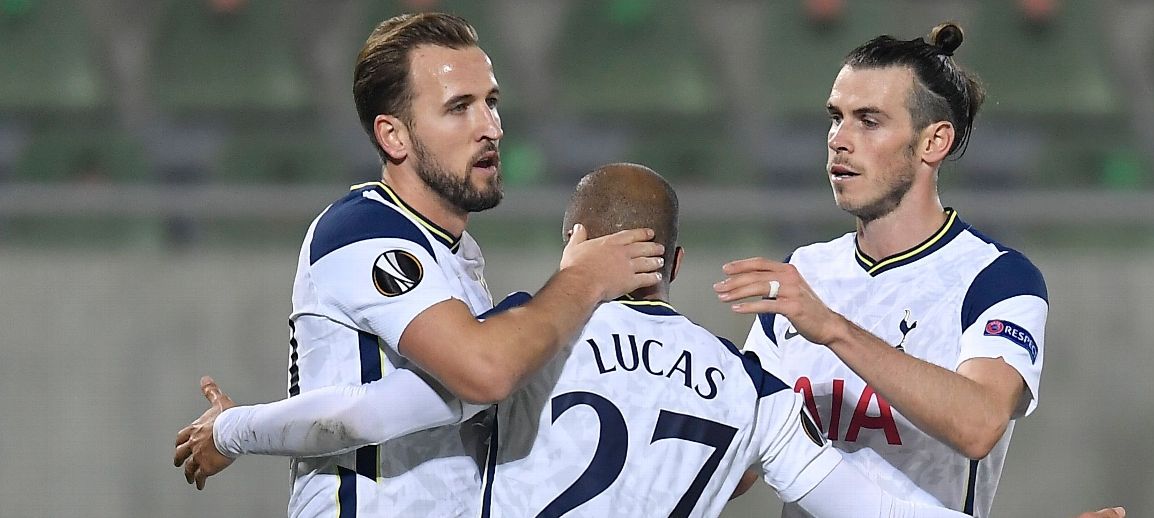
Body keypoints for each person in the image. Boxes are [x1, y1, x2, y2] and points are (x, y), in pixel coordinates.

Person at [176, 163, 969, 518]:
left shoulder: (520, 346)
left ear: (576, 244)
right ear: (676, 262)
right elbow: (866, 505)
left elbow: (363, 418)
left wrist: (233, 430)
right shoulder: (748, 386)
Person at [172, 13, 663, 517]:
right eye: (459, 108)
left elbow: (407, 404)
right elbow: (482, 373)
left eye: (491, 102)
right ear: (394, 137)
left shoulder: (457, 260)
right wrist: (582, 279)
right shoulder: (361, 228)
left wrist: (236, 430)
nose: (490, 127)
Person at [713, 23, 1048, 517]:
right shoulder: (805, 271)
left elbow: (979, 424)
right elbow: (738, 471)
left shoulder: (997, 278)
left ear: (934, 142)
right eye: (836, 118)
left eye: (869, 121)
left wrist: (832, 330)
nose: (839, 141)